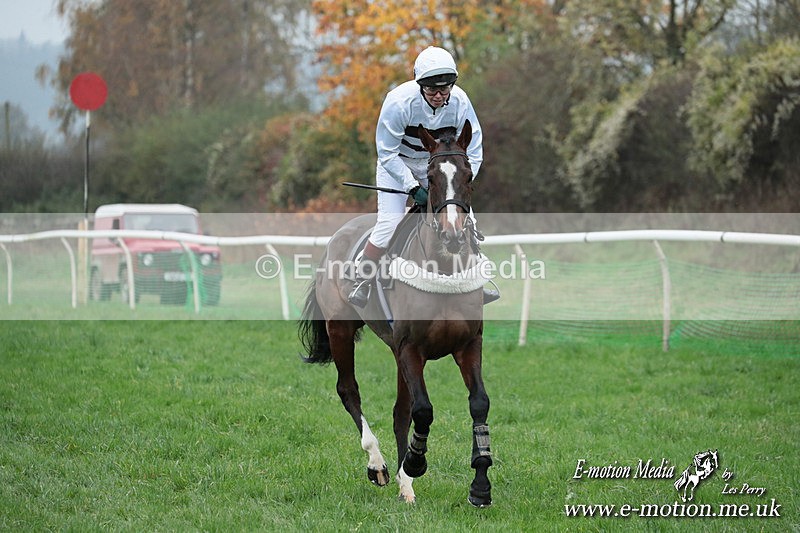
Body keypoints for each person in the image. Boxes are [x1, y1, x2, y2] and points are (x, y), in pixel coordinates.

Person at [348, 46, 498, 307]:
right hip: (398, 164)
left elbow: (474, 151)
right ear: (420, 85)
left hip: (441, 166)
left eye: (445, 89)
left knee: (467, 220)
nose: (439, 96)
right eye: (431, 90)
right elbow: (387, 153)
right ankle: (363, 279)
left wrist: (460, 184)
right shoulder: (398, 103)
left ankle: (477, 281)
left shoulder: (461, 101)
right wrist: (411, 187)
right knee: (389, 223)